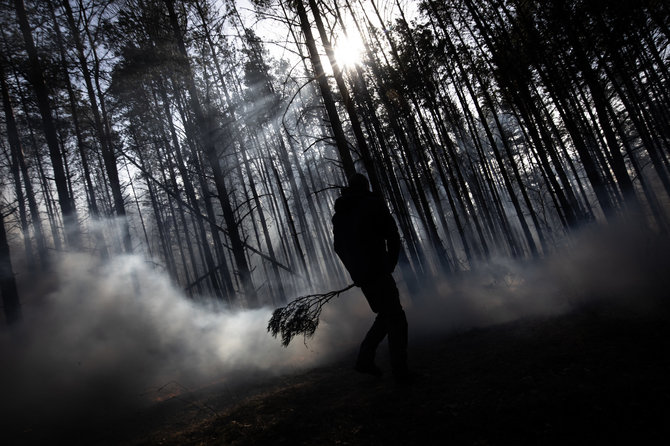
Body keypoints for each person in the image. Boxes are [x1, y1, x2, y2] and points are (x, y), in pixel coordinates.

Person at [332, 173, 410, 382]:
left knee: (386, 314)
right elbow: (392, 235)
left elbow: (338, 247)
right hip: (378, 270)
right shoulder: (372, 204)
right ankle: (400, 373)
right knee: (396, 318)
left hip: (363, 275)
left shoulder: (340, 213)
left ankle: (365, 359)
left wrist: (355, 271)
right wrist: (390, 263)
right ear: (365, 186)